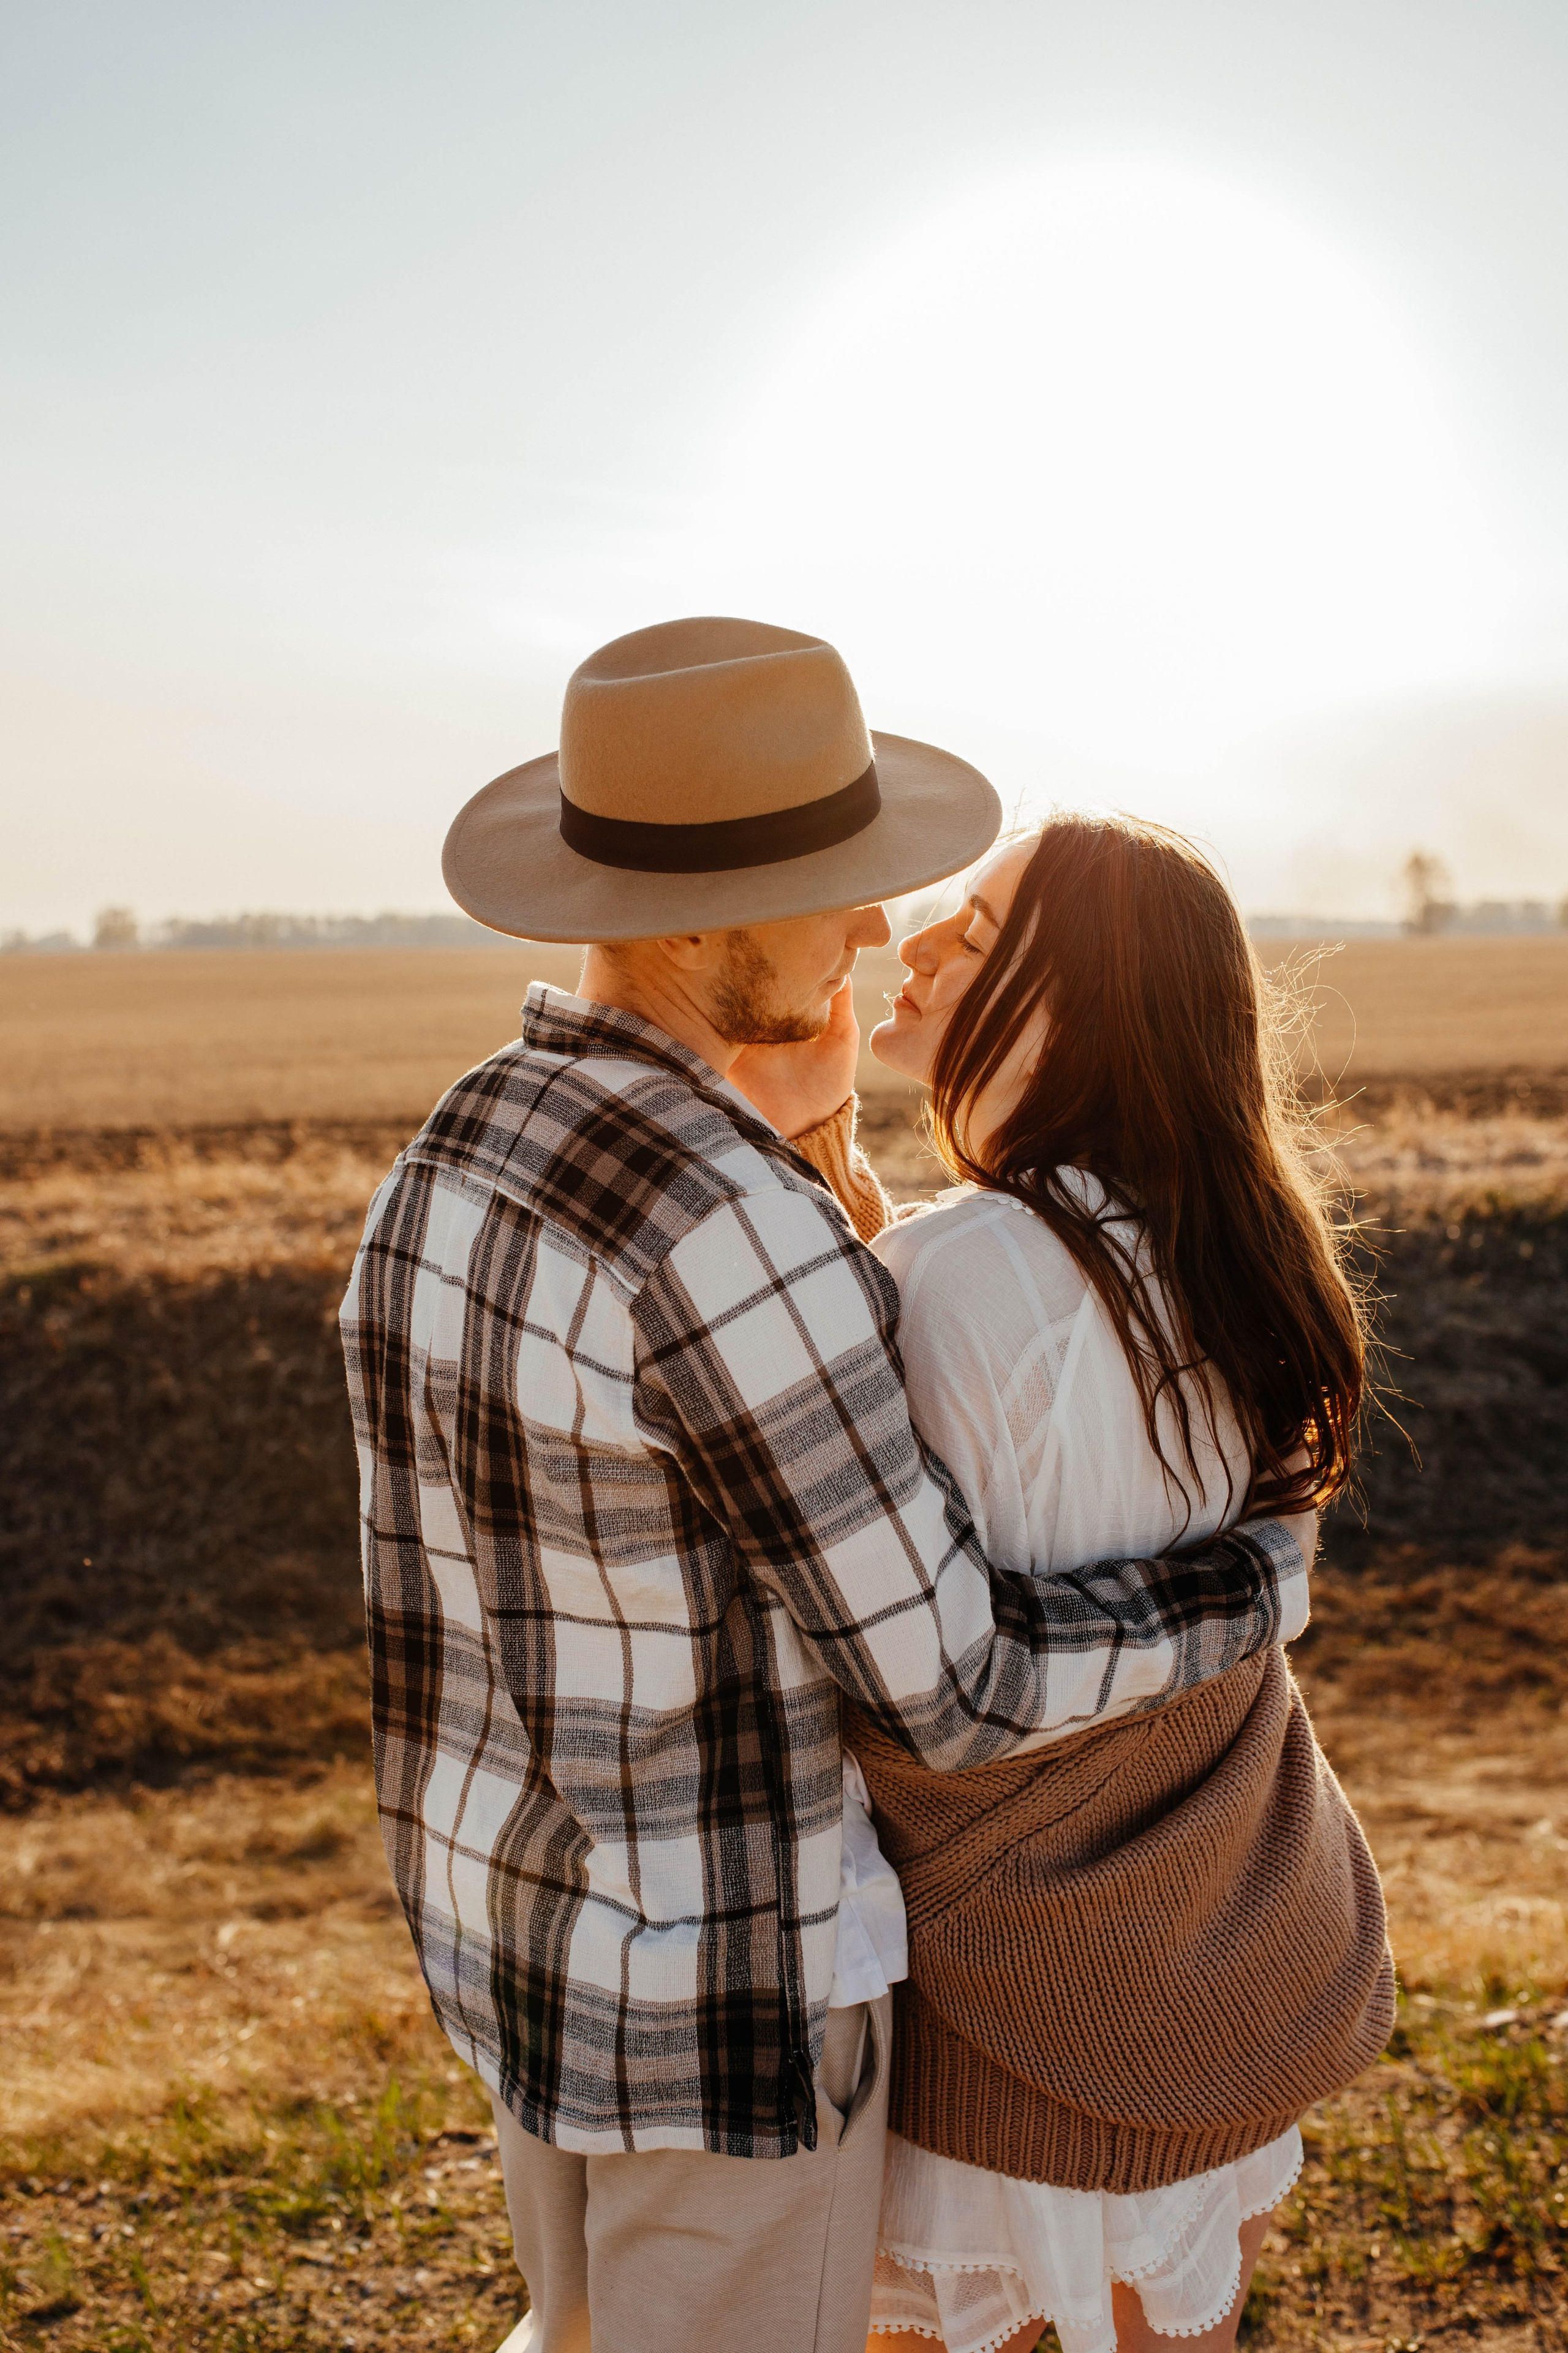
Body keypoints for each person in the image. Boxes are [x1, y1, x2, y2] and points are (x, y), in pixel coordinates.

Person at [339, 618, 1316, 2353]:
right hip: (731, 2013)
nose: (877, 927)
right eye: (838, 885)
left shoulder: (456, 1150)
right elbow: (949, 1690)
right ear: (706, 918)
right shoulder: (726, 1224)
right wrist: (1246, 1586)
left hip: (522, 1962)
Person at [817, 817, 1392, 2353]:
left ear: (1075, 996)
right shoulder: (1248, 1262)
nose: (917, 938)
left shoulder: (951, 1277)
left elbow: (882, 1667)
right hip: (1233, 1951)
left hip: (1023, 2024)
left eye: (977, 926)